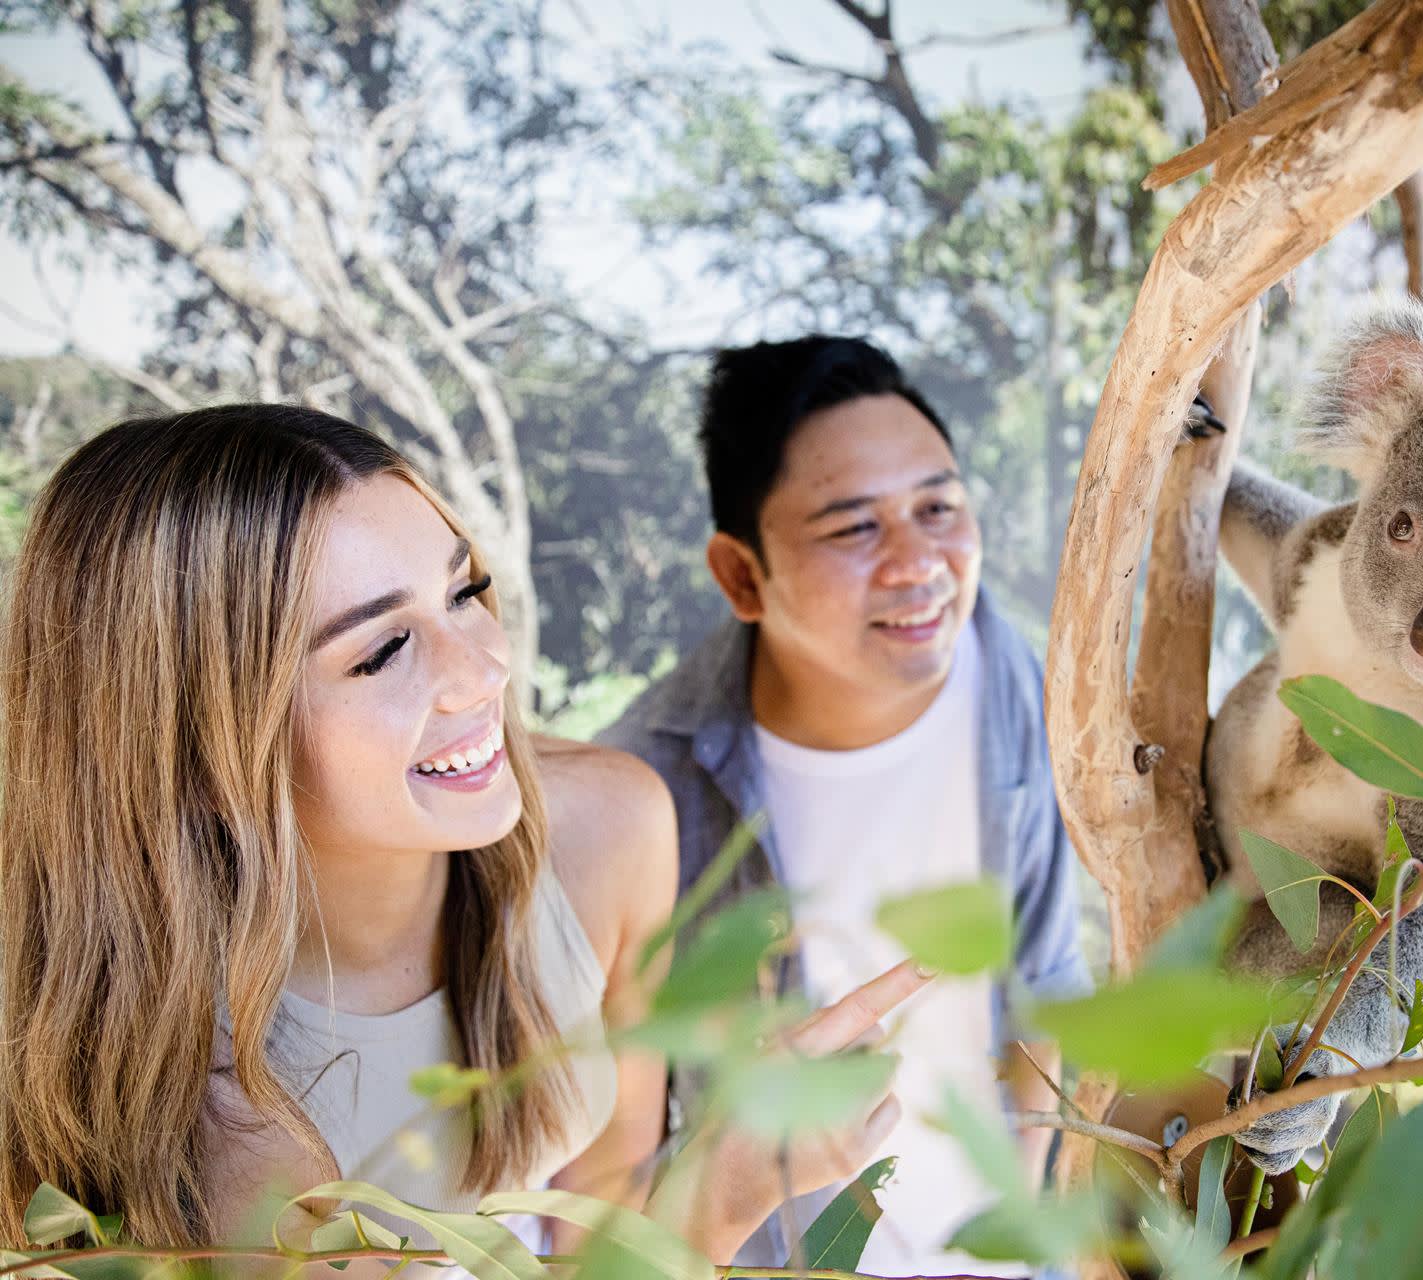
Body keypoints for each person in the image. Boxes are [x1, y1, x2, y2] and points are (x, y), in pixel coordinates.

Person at [0, 404, 920, 1261]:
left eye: (464, 591)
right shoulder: (209, 1094)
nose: (483, 672)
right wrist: (721, 1195)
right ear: (197, 754)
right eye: (381, 651)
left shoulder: (607, 826)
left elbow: (602, 1213)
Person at [599, 336, 1092, 1272]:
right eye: (855, 528)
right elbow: (614, 1160)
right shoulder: (645, 787)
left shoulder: (1027, 684)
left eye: (937, 508)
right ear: (741, 576)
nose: (918, 563)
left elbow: (1047, 984)